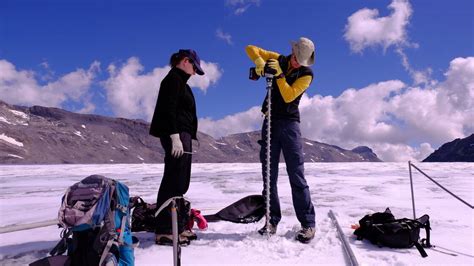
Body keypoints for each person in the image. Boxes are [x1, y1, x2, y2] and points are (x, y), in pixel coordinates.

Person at [245, 37, 316, 243]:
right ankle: (272, 220)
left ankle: (308, 224)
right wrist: (259, 62)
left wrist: (279, 74)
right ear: (292, 52)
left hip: (290, 125)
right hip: (270, 121)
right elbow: (251, 46)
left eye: (300, 61)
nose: (296, 63)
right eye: (295, 58)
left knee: (296, 174)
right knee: (269, 174)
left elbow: (288, 95)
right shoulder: (279, 59)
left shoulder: (307, 74)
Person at [149, 49, 204, 245]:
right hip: (177, 135)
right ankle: (165, 230)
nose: (195, 72)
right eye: (194, 67)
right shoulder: (172, 79)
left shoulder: (180, 82)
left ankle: (178, 226)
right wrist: (174, 136)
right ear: (185, 61)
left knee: (180, 182)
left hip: (183, 135)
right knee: (173, 180)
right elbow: (167, 108)